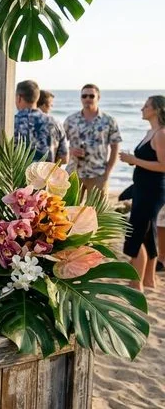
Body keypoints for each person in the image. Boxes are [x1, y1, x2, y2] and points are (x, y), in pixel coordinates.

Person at [119, 96, 165, 291]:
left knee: (137, 233)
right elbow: (150, 161)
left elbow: (163, 166)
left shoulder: (161, 134)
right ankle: (148, 280)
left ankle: (136, 284)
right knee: (147, 233)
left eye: (146, 106)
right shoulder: (150, 132)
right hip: (142, 188)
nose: (141, 109)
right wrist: (133, 160)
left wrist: (134, 160)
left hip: (152, 191)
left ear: (157, 110)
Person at [64, 84, 121, 198]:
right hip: (74, 174)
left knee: (97, 213)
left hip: (98, 174)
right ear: (81, 98)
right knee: (70, 212)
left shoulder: (109, 121)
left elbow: (115, 148)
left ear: (98, 98)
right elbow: (61, 144)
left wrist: (107, 173)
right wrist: (70, 150)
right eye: (84, 96)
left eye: (91, 96)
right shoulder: (71, 120)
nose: (87, 99)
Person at [13, 80, 67, 163]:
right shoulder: (55, 123)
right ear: (37, 98)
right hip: (46, 174)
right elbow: (64, 159)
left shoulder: (10, 123)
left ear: (19, 97)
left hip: (16, 176)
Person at [37, 90, 68, 164]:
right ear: (45, 105)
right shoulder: (55, 123)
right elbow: (64, 159)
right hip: (46, 172)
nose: (52, 107)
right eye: (51, 105)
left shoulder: (18, 121)